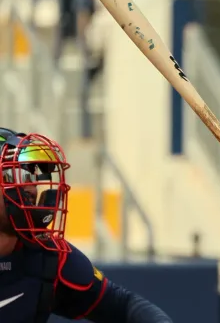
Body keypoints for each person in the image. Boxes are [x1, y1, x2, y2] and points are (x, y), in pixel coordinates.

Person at [0, 128, 172, 323]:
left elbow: (123, 305)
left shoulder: (48, 257)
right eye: (17, 176)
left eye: (32, 177)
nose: (31, 188)